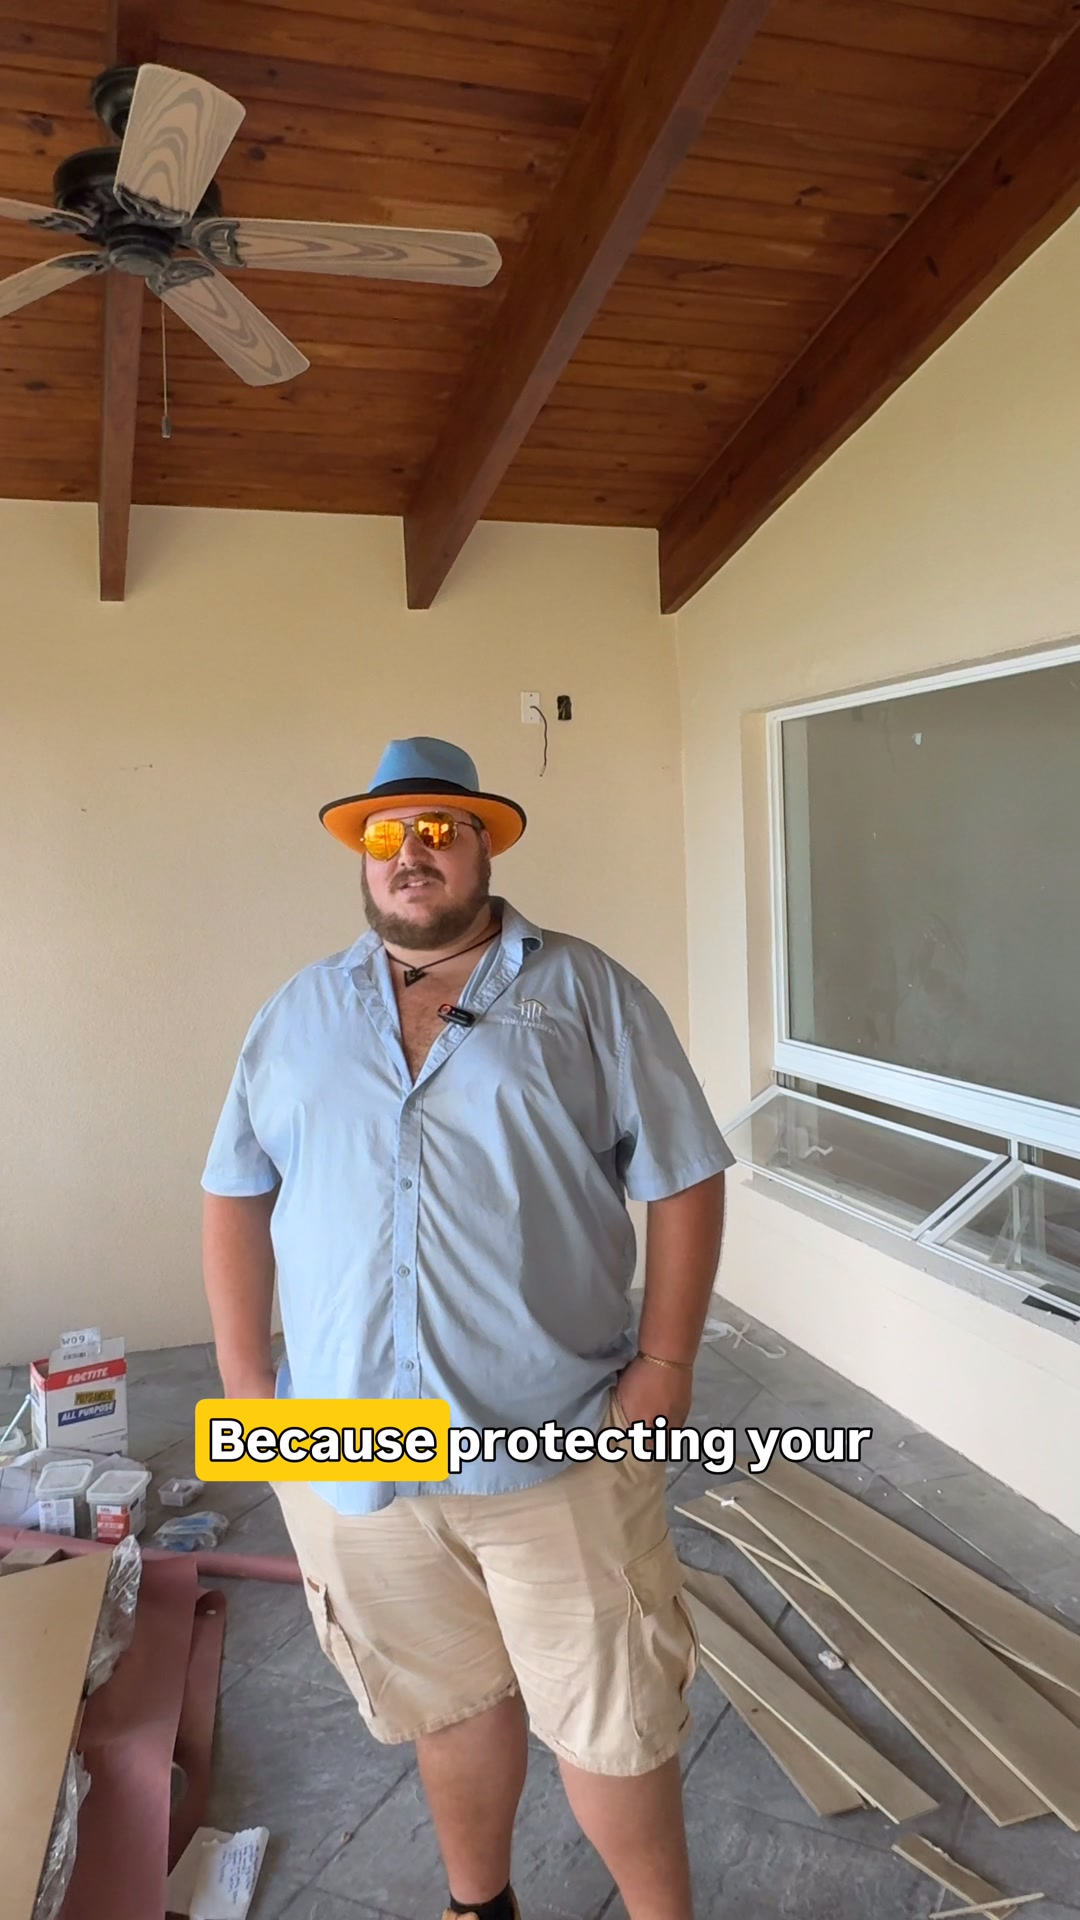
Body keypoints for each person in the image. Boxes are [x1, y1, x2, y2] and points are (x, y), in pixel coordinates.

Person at [201, 736, 734, 1920]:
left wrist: (667, 1359)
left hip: (555, 1437)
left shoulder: (587, 993)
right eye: (388, 835)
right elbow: (236, 1189)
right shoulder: (297, 1013)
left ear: (486, 847)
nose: (413, 852)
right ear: (362, 858)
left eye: (441, 828)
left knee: (613, 1723)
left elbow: (686, 1173)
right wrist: (246, 1388)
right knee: (448, 1704)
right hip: (350, 1450)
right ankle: (476, 1904)